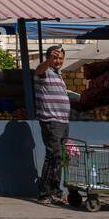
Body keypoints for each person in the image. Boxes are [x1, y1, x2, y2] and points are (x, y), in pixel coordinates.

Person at [32, 45, 70, 204]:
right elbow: (38, 70)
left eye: (60, 58)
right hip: (51, 120)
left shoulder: (58, 74)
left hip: (63, 121)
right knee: (53, 155)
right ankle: (44, 193)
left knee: (61, 157)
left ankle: (56, 190)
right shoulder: (44, 72)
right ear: (49, 58)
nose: (58, 61)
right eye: (55, 58)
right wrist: (48, 61)